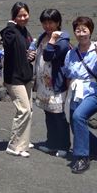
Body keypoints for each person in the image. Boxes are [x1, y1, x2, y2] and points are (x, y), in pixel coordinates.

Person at [63, 16, 97, 174]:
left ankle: (82, 157)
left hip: (94, 92)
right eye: (78, 30)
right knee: (74, 122)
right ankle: (96, 146)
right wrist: (67, 96)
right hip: (75, 92)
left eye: (84, 30)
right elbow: (68, 76)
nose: (81, 33)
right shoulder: (71, 53)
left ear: (90, 31)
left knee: (79, 117)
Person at [33, 9, 71, 158]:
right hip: (44, 84)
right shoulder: (42, 36)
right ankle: (51, 143)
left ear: (58, 23)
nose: (48, 26)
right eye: (45, 23)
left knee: (59, 116)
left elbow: (48, 56)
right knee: (48, 114)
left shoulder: (62, 40)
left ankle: (64, 145)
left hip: (56, 84)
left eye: (51, 22)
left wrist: (53, 40)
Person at [0, 2, 35, 158]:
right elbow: (8, 43)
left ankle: (24, 142)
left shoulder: (25, 31)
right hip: (13, 78)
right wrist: (10, 25)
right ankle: (14, 145)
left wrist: (30, 55)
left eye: (25, 14)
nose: (23, 18)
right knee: (24, 110)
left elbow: (25, 50)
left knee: (29, 111)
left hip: (26, 75)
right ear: (14, 16)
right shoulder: (10, 31)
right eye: (19, 15)